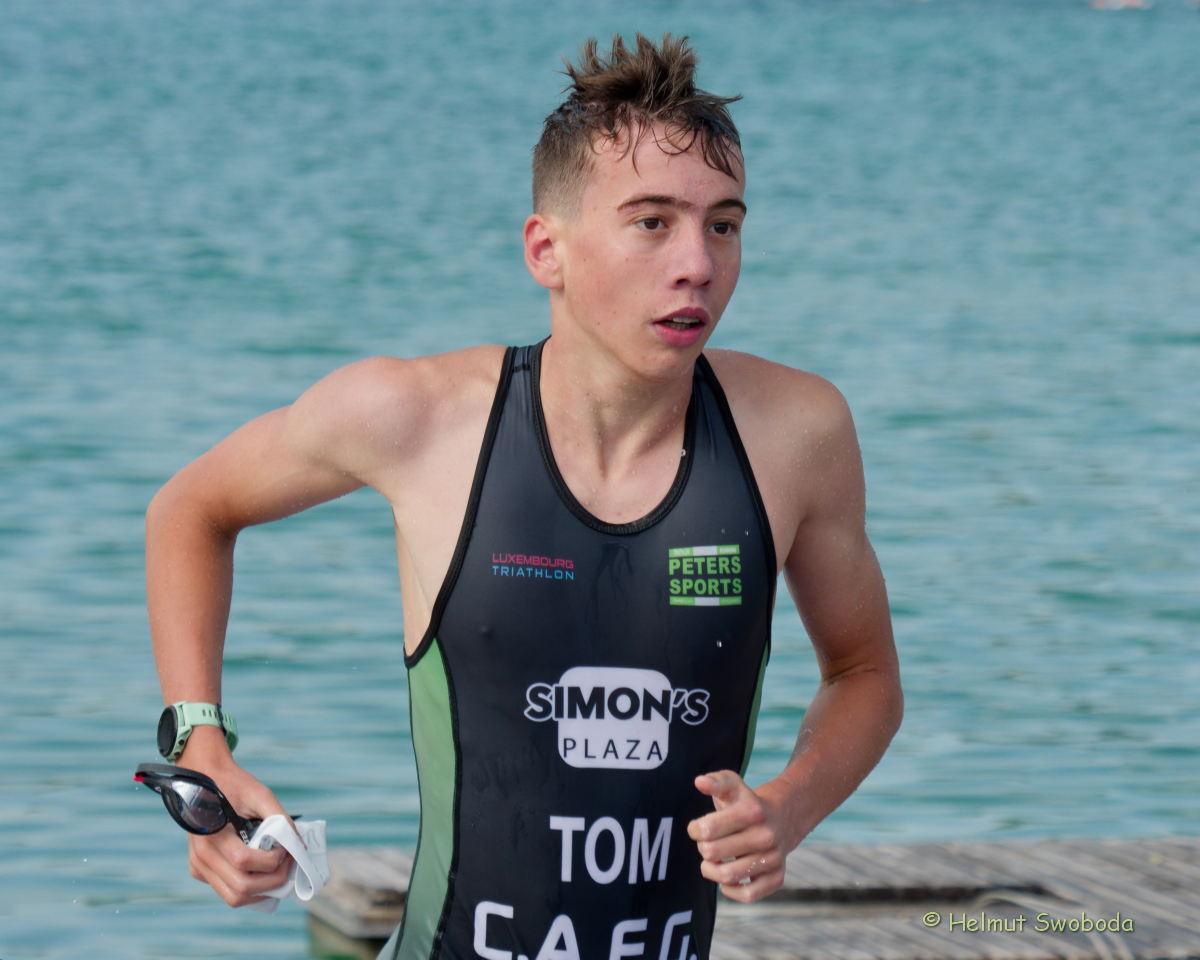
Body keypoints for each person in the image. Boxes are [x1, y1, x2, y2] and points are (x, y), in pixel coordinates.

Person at [145, 33, 902, 960]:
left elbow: (865, 676)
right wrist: (202, 745)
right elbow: (190, 510)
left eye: (724, 225)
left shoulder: (796, 434)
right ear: (547, 250)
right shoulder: (418, 420)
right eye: (652, 223)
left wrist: (788, 807)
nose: (697, 264)